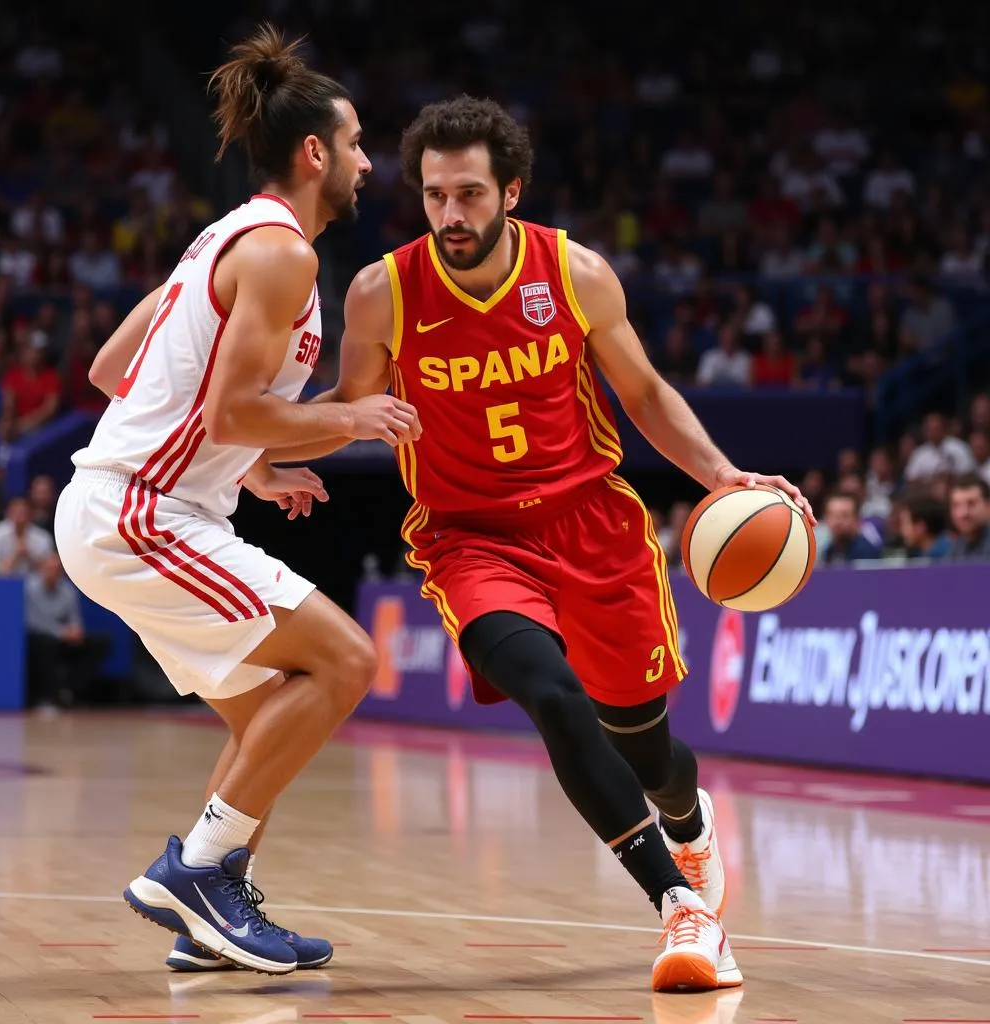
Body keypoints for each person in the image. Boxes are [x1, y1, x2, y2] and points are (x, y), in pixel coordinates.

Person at [322, 96, 816, 992]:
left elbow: (647, 393)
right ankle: (681, 908)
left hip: (591, 523)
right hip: (469, 536)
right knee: (550, 694)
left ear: (510, 190)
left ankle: (687, 821)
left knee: (647, 748)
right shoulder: (380, 292)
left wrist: (723, 477)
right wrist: (256, 445)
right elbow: (351, 407)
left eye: (470, 193)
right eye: (435, 196)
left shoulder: (575, 272)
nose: (451, 215)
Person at [54, 24, 420, 976]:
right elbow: (228, 405)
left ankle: (209, 913)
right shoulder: (283, 255)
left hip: (137, 510)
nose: (366, 162)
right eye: (355, 145)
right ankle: (197, 871)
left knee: (271, 712)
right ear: (315, 154)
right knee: (345, 661)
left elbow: (112, 368)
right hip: (143, 514)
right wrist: (352, 418)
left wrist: (249, 466)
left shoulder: (218, 240)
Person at [25, 551, 111, 707]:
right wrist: (60, 632)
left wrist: (76, 630)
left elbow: (75, 619)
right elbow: (33, 622)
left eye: (57, 569)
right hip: (41, 638)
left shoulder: (67, 590)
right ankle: (51, 695)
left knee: (100, 642)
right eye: (49, 568)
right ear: (41, 569)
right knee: (44, 643)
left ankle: (70, 690)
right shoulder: (30, 588)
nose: (53, 572)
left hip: (64, 638)